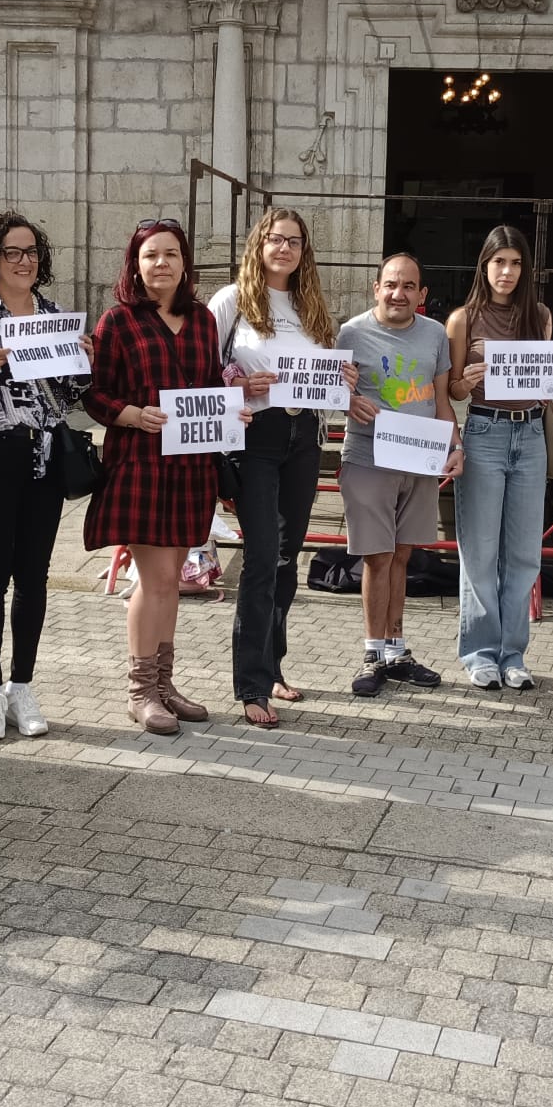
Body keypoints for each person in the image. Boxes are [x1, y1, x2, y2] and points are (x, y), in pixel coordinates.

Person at [83, 217, 242, 735]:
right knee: (152, 584)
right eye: (151, 255)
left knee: (172, 583)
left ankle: (164, 686)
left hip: (192, 467)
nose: (161, 264)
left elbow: (211, 383)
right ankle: (140, 692)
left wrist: (230, 408)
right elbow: (96, 394)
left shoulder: (202, 319)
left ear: (185, 264)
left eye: (171, 254)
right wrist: (131, 414)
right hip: (141, 466)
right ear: (136, 263)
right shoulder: (118, 321)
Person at [0, 211, 91, 743]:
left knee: (34, 574)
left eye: (31, 252)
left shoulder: (52, 315)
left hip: (46, 455)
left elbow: (71, 396)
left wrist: (81, 362)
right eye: (13, 251)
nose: (24, 261)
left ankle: (22, 685)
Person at [208, 208, 357, 728]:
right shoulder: (231, 301)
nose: (285, 248)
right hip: (257, 436)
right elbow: (203, 367)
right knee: (261, 555)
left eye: (294, 241)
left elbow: (325, 373)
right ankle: (250, 683)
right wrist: (236, 383)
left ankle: (272, 667)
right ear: (259, 244)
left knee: (288, 554)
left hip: (304, 437)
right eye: (276, 239)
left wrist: (344, 374)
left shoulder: (310, 305)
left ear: (304, 251)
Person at [337, 254, 457, 697]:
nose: (398, 293)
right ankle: (372, 653)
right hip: (369, 458)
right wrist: (347, 401)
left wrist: (455, 446)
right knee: (377, 557)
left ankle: (397, 651)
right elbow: (331, 392)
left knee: (402, 558)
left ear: (421, 294)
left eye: (409, 286)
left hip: (420, 458)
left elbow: (442, 400)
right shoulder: (350, 333)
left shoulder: (435, 334)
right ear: (376, 288)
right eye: (391, 284)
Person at [446, 225, 553, 690]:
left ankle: (514, 653)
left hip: (531, 433)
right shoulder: (462, 319)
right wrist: (465, 383)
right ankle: (479, 652)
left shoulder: (542, 316)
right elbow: (450, 387)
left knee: (525, 553)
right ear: (484, 266)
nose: (507, 272)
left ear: (525, 269)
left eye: (515, 263)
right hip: (485, 430)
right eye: (498, 262)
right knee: (481, 550)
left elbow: (548, 386)